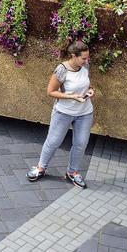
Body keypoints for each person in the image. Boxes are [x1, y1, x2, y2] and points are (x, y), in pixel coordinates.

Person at [26, 41, 93, 188]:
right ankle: (41, 168)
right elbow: (51, 92)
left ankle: (72, 172)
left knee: (81, 144)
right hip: (63, 112)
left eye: (87, 58)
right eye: (83, 58)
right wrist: (72, 96)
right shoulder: (61, 70)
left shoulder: (85, 66)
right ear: (73, 56)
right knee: (54, 141)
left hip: (85, 112)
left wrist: (90, 91)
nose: (87, 61)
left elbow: (85, 83)